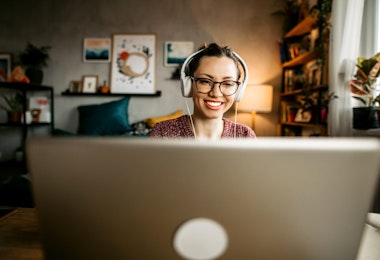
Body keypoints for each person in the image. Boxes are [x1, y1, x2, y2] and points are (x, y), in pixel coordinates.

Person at [149, 43, 256, 139]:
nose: (216, 93)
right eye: (205, 81)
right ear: (189, 85)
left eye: (228, 84)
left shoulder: (245, 135)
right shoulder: (162, 133)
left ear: (238, 90)